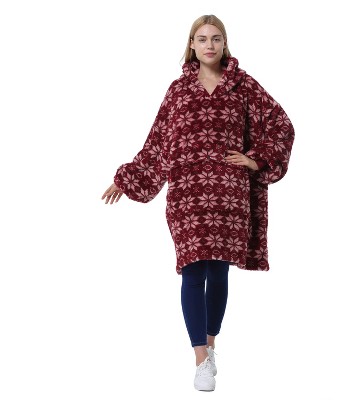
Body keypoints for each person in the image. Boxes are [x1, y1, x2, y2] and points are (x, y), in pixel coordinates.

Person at [101, 14, 295, 391]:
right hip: (187, 194)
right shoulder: (178, 91)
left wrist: (255, 159)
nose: (209, 45)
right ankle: (201, 360)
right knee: (192, 271)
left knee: (219, 272)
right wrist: (127, 177)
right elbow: (158, 143)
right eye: (202, 38)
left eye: (216, 38)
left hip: (229, 193)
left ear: (224, 44)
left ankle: (211, 344)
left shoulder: (244, 86)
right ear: (191, 44)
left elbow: (281, 125)